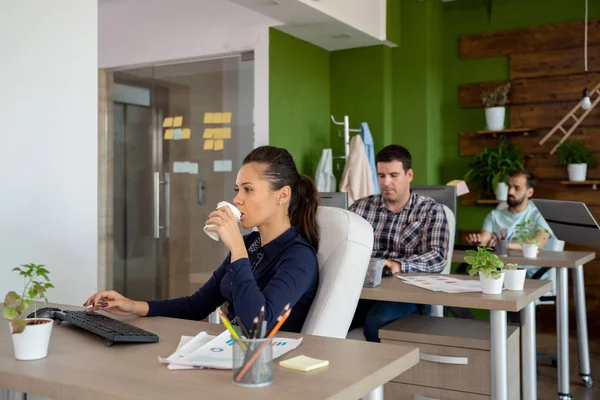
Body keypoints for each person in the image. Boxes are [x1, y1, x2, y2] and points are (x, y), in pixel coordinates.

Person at [85, 146, 320, 333]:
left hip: (265, 368)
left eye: (248, 190)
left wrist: (237, 247)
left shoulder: (299, 256)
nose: (237, 199)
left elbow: (258, 325)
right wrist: (134, 306)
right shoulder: (251, 244)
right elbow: (197, 305)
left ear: (283, 195)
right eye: (237, 189)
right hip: (233, 355)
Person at [349, 144, 449, 342]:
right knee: (325, 315)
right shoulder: (360, 208)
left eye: (394, 175)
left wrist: (399, 265)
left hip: (408, 294)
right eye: (381, 176)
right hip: (363, 289)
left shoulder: (430, 210)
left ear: (409, 175)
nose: (386, 182)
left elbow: (437, 256)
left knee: (377, 320)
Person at [466, 169, 553, 277]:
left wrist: (505, 245)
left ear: (529, 192)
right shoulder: (494, 215)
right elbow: (484, 239)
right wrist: (478, 242)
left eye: (517, 188)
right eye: (509, 187)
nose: (510, 192)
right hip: (497, 272)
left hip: (529, 275)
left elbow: (538, 243)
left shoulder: (539, 216)